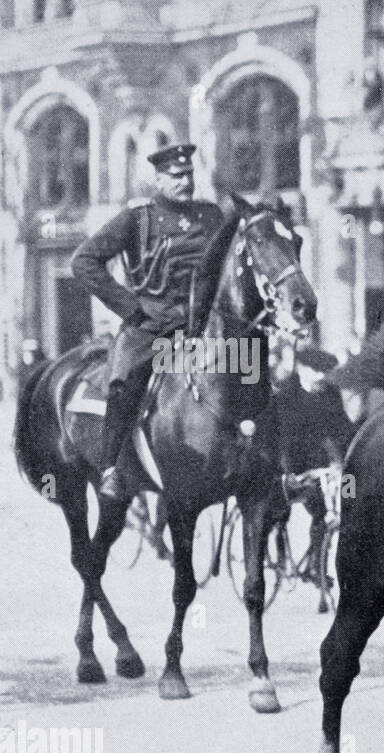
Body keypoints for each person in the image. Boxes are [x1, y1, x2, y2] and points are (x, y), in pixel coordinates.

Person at [70, 143, 224, 500]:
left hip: (204, 325)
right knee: (125, 383)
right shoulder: (137, 219)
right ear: (158, 179)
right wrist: (131, 309)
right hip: (152, 327)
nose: (185, 182)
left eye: (188, 175)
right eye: (176, 176)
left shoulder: (211, 216)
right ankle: (111, 467)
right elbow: (84, 262)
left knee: (250, 369)